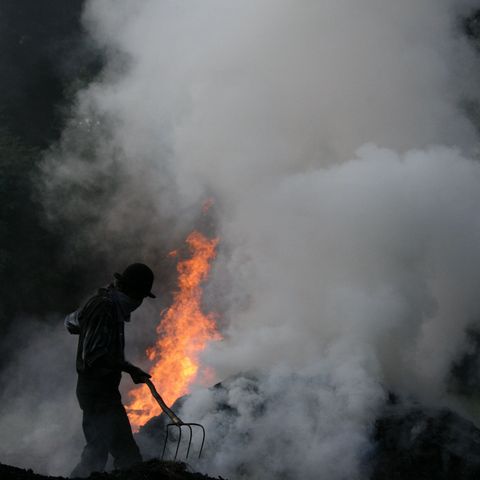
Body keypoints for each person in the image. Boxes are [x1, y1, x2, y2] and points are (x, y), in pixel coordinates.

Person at [65, 263, 156, 477]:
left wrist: (129, 368)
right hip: (97, 392)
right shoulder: (104, 307)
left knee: (117, 452)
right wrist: (129, 369)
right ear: (132, 292)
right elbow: (95, 356)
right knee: (108, 454)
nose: (139, 303)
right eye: (141, 297)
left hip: (102, 392)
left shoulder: (108, 305)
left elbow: (71, 322)